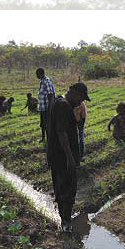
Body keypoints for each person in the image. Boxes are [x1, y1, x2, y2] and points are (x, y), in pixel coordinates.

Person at [46, 82, 90, 233]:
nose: (81, 102)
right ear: (74, 93)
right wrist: (70, 158)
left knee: (61, 187)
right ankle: (66, 222)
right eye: (81, 98)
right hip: (62, 156)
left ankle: (64, 218)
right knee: (68, 188)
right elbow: (61, 132)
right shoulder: (64, 106)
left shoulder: (58, 101)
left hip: (57, 155)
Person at [36, 68, 56, 143]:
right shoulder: (41, 81)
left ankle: (49, 140)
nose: (36, 76)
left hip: (47, 108)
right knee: (43, 124)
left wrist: (50, 109)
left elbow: (50, 95)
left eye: (37, 74)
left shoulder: (46, 81)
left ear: (40, 74)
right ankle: (43, 138)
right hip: (42, 108)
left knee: (48, 125)